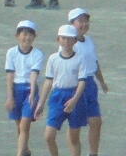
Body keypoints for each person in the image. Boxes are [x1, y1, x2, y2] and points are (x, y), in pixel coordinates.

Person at [35, 25, 87, 156]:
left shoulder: (80, 58)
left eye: (70, 39)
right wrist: (41, 103)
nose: (66, 41)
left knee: (74, 137)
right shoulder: (53, 58)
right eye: (63, 38)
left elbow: (82, 82)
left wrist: (74, 100)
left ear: (75, 41)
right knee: (49, 136)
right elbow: (48, 81)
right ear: (58, 39)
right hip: (57, 96)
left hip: (75, 95)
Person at [68, 8, 108, 156]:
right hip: (76, 85)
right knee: (75, 125)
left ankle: (93, 153)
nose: (84, 24)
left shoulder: (89, 41)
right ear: (72, 24)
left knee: (96, 121)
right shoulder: (68, 43)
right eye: (80, 21)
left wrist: (102, 81)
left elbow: (94, 62)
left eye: (86, 21)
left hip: (90, 84)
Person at [5, 20, 44, 156]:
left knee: (24, 124)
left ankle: (19, 153)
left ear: (34, 37)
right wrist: (10, 97)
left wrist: (32, 93)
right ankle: (25, 150)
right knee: (19, 125)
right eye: (24, 34)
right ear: (17, 36)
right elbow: (10, 75)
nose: (27, 37)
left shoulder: (38, 54)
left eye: (30, 34)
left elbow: (34, 75)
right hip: (15, 89)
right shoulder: (11, 52)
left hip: (29, 89)